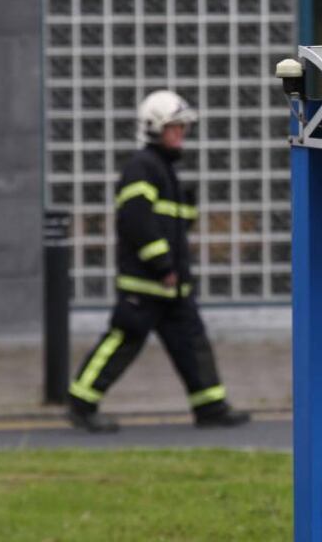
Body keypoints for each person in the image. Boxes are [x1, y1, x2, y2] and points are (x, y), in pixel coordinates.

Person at [67, 90, 250, 433]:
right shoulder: (143, 167)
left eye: (183, 128)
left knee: (192, 341)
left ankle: (210, 406)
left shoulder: (163, 169)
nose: (181, 134)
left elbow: (173, 225)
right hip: (149, 282)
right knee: (123, 341)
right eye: (174, 128)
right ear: (153, 129)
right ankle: (80, 402)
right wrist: (163, 265)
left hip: (171, 284)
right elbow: (137, 221)